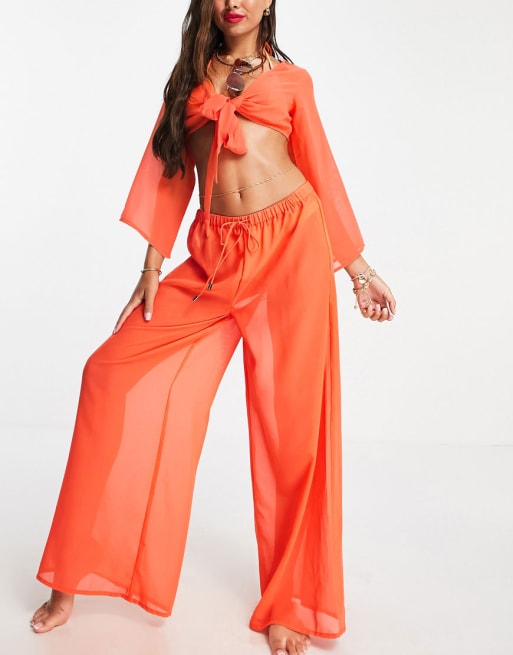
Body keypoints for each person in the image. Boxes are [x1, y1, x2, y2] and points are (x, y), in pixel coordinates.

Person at [30, 1, 396, 654]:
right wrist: (151, 266)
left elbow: (321, 172)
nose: (236, 0)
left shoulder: (292, 82)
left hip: (292, 245)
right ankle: (70, 577)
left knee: (292, 430)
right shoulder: (188, 82)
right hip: (213, 255)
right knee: (106, 374)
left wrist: (359, 271)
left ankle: (288, 601)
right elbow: (170, 175)